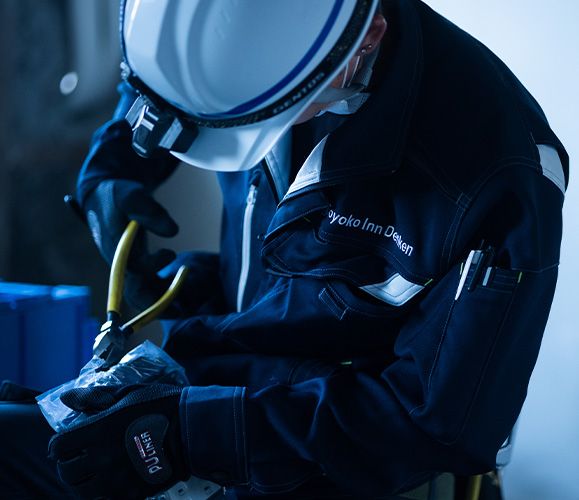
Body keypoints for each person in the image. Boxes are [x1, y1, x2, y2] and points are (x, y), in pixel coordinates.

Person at [0, 0, 568, 499]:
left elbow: (438, 425)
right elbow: (170, 78)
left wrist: (194, 435)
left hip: (334, 466)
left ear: (365, 39)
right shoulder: (247, 51)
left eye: (239, 122)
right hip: (212, 386)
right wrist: (111, 169)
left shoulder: (497, 173)